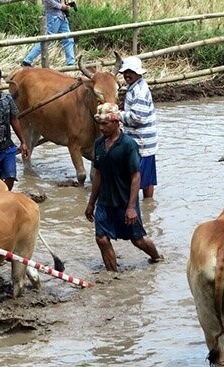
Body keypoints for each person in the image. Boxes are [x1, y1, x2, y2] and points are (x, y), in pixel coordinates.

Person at [85, 103, 161, 272]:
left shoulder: (128, 145)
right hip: (105, 202)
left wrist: (132, 207)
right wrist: (91, 203)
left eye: (105, 124)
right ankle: (112, 276)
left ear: (116, 122)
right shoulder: (98, 144)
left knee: (138, 240)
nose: (102, 128)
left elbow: (136, 176)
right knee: (101, 238)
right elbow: (98, 174)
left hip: (125, 201)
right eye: (100, 124)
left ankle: (157, 258)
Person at [118, 56, 158, 200]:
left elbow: (137, 118)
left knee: (135, 177)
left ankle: (133, 206)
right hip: (146, 142)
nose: (127, 75)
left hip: (141, 143)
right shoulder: (135, 87)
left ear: (138, 73)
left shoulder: (139, 91)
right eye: (125, 72)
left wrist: (118, 114)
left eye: (131, 72)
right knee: (147, 179)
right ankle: (148, 206)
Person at [21, 0, 76, 67]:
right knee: (47, 40)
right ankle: (27, 61)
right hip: (54, 17)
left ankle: (71, 63)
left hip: (62, 17)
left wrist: (66, 4)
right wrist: (61, 6)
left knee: (68, 39)